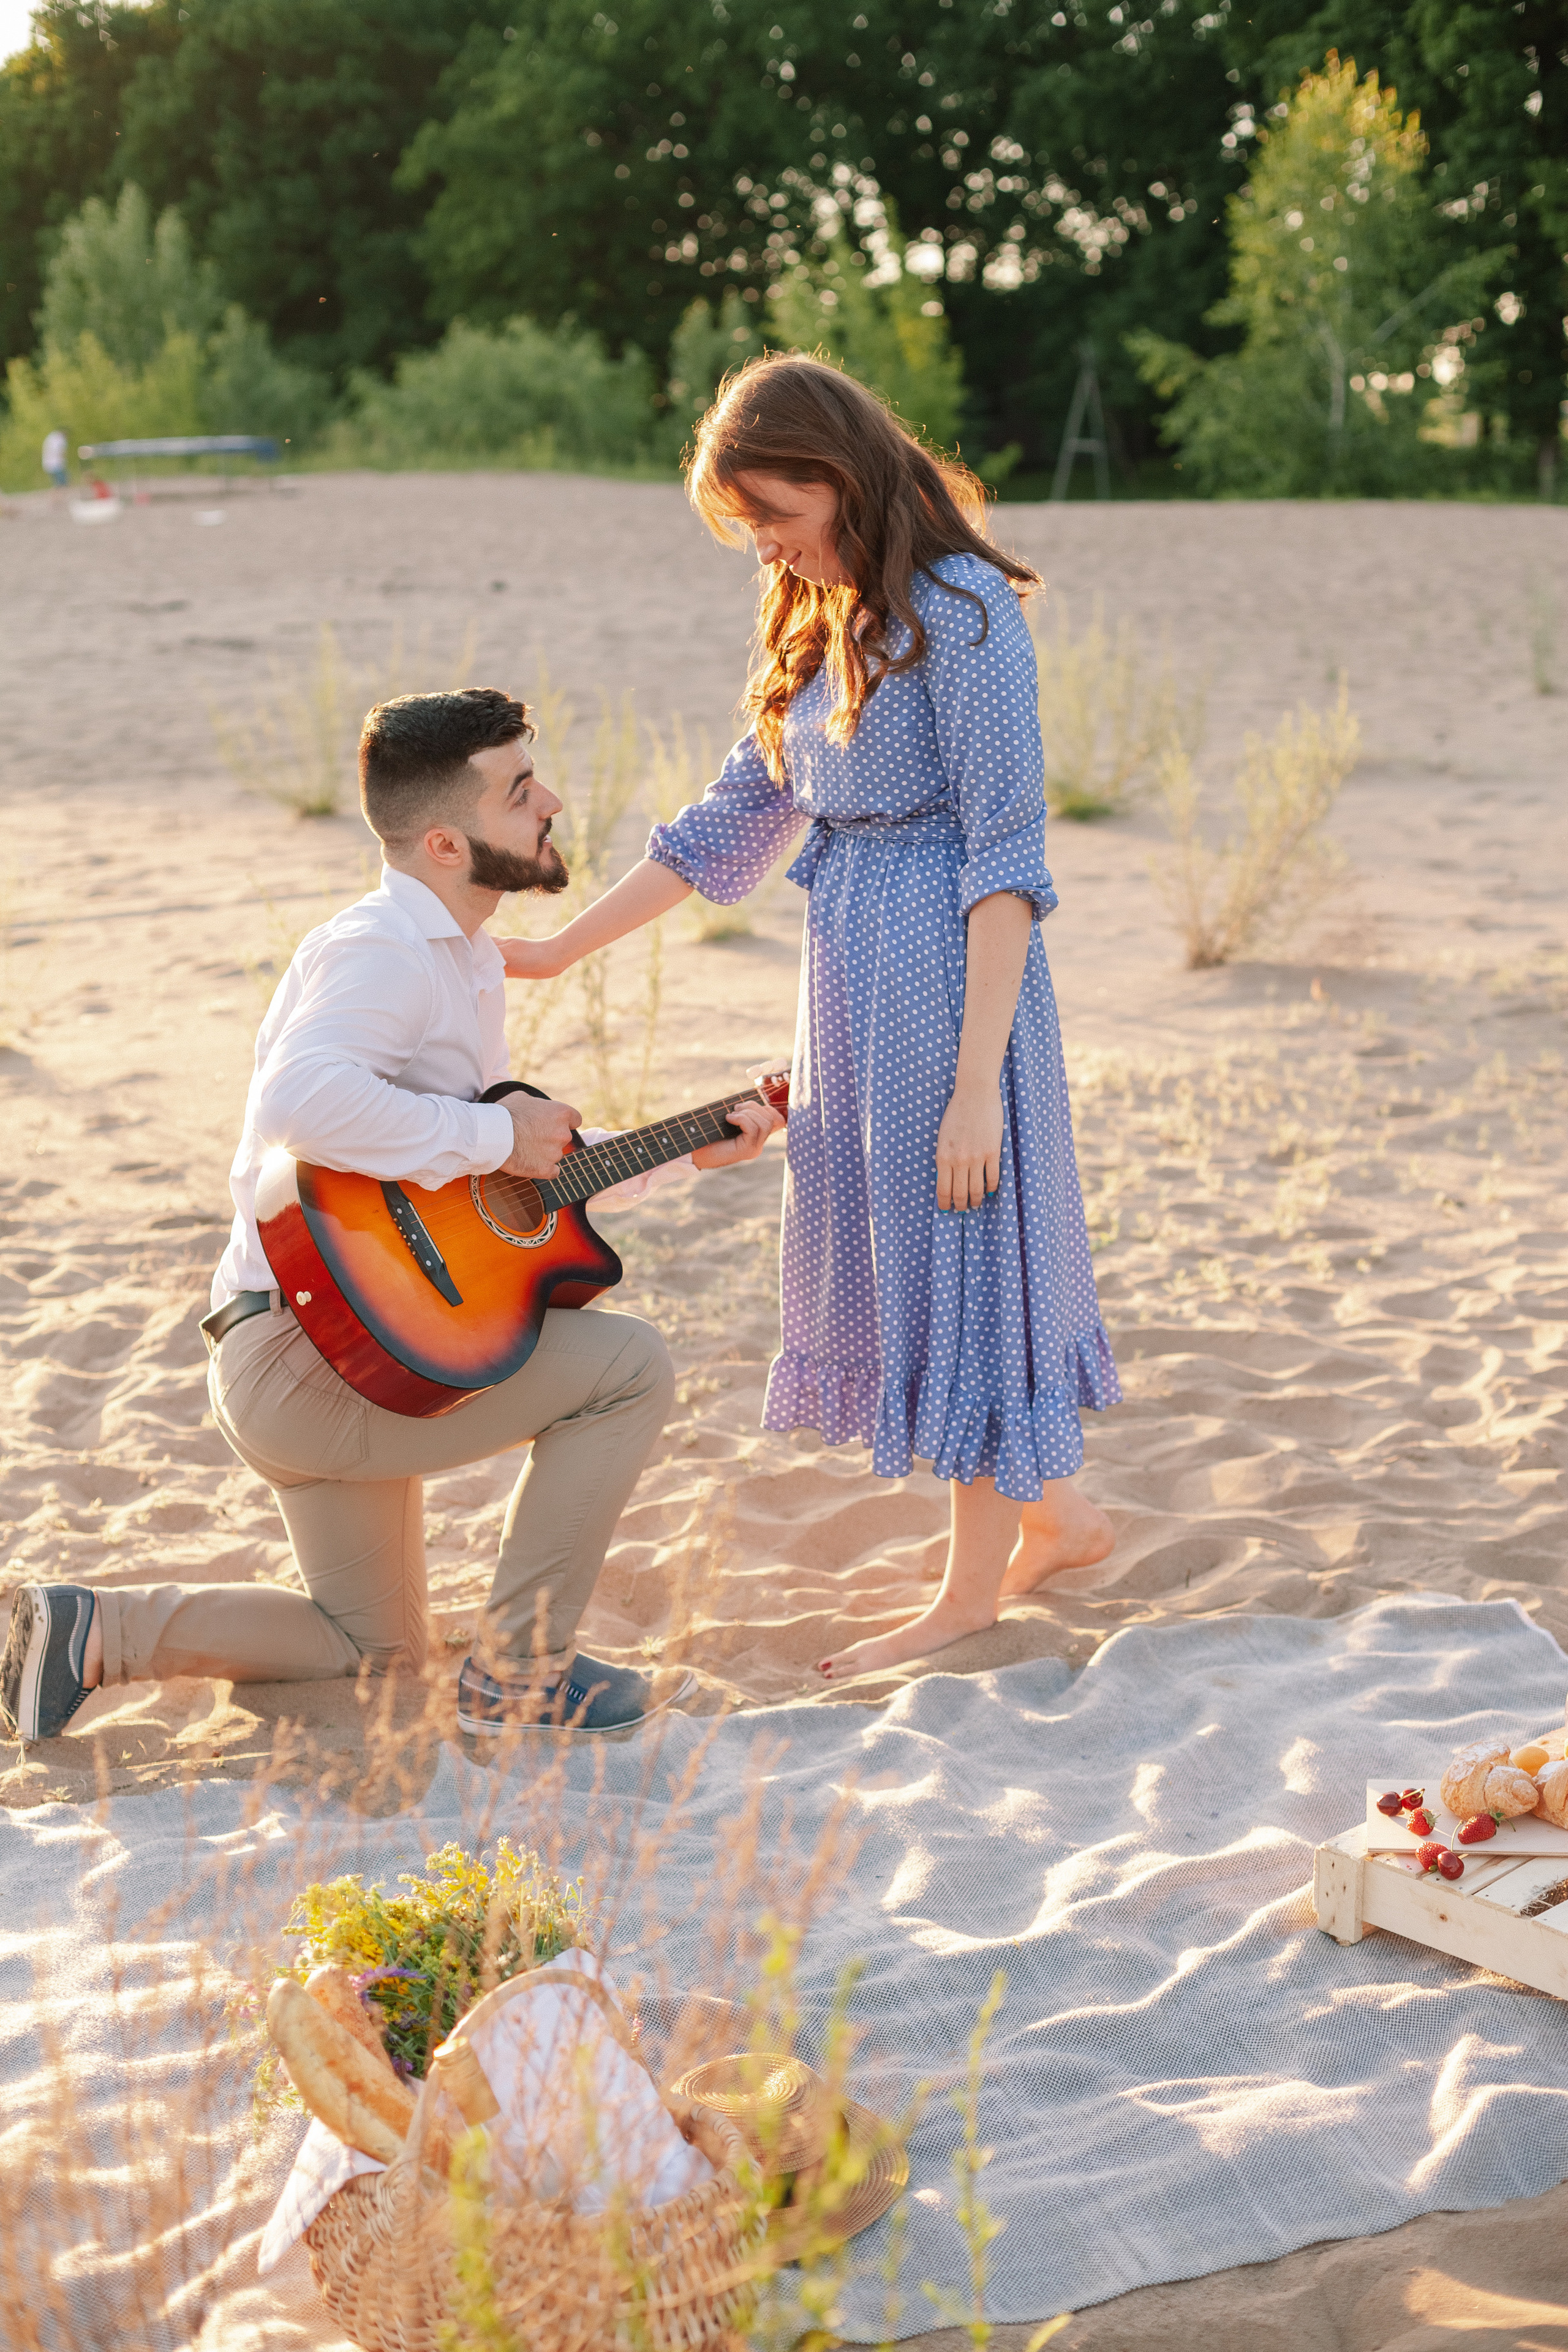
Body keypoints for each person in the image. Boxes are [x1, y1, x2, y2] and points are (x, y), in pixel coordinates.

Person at [0, 688, 781, 1746]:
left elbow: (500, 1183)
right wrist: (501, 1137)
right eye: (520, 789)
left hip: (326, 1346)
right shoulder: (382, 949)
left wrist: (688, 1148)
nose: (551, 800)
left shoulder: (459, 960)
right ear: (449, 839)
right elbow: (299, 1103)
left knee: (369, 1649)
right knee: (628, 1367)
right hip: (311, 1351)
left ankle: (92, 1631)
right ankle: (523, 1670)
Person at [500, 356, 1120, 1681]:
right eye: (749, 528)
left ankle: (965, 1597)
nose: (766, 546)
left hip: (960, 991)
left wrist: (973, 1086)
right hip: (850, 982)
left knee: (964, 1252)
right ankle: (1058, 1520)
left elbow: (1006, 860)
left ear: (834, 472)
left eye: (774, 515)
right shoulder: (810, 616)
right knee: (907, 1249)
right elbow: (732, 819)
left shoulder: (961, 614)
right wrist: (555, 949)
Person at [41, 426, 68, 500]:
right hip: (56, 464)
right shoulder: (60, 439)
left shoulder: (51, 437)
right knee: (62, 483)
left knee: (58, 483)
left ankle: (56, 498)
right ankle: (59, 498)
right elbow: (61, 452)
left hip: (49, 464)